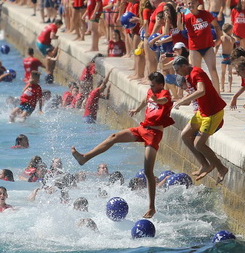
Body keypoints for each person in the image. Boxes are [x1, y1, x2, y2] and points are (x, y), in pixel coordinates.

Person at [71, 71, 173, 218]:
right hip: (142, 128)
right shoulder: (151, 91)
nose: (151, 87)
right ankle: (84, 158)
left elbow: (163, 101)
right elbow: (146, 100)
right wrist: (137, 109)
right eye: (150, 85)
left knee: (148, 171)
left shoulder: (165, 93)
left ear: (160, 84)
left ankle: (151, 207)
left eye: (153, 85)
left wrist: (155, 99)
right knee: (114, 137)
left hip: (154, 135)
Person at [172, 56, 228, 183]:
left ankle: (221, 168)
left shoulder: (196, 72)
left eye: (177, 70)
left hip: (213, 113)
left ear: (184, 66)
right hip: (202, 112)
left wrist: (182, 100)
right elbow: (192, 97)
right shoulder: (187, 76)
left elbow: (201, 91)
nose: (176, 73)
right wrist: (174, 101)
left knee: (199, 144)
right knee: (185, 135)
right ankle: (205, 165)